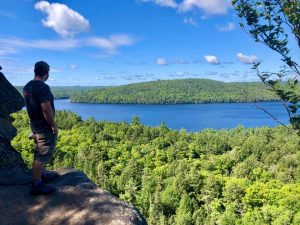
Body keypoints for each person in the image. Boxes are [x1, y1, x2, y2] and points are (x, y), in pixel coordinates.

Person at [23, 61, 58, 195]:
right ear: (46, 73)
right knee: (43, 154)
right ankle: (36, 184)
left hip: (35, 125)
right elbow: (46, 108)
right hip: (44, 127)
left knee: (39, 151)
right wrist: (53, 125)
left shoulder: (27, 87)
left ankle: (42, 174)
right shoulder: (43, 87)